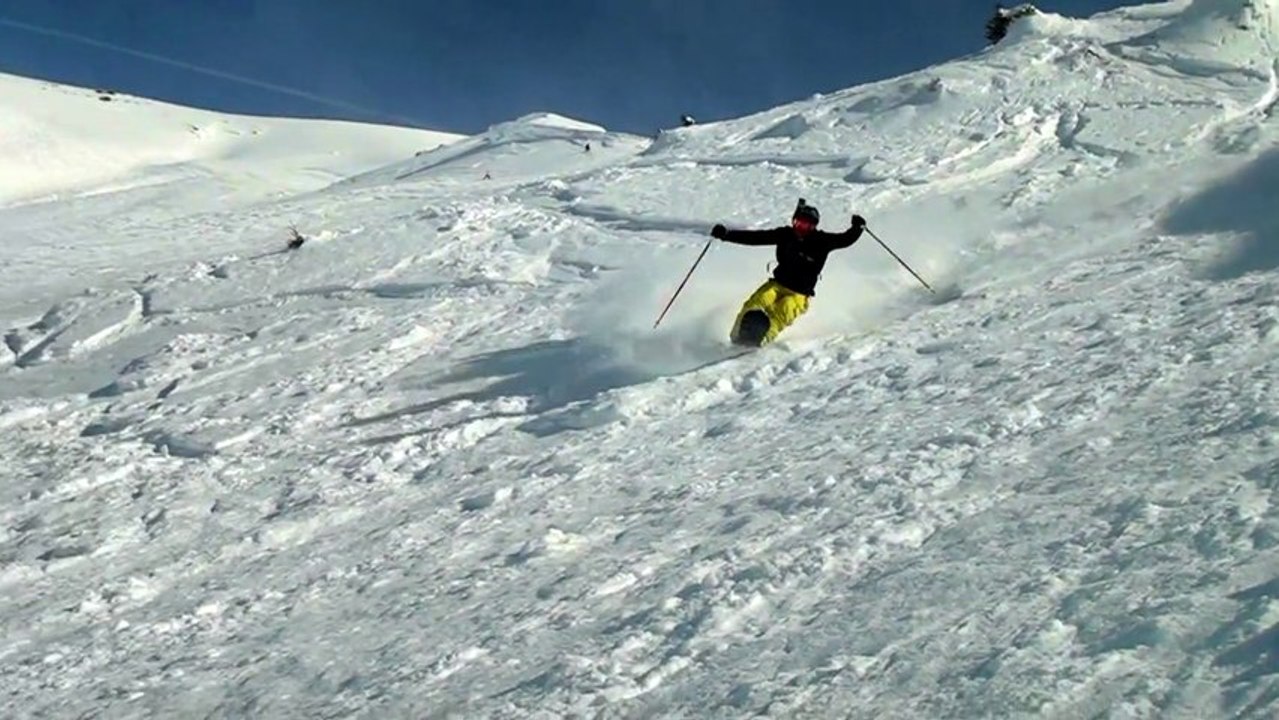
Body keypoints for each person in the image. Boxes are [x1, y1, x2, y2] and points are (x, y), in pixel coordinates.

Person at [710, 199, 866, 347]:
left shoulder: (821, 241)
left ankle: (761, 339)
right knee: (757, 302)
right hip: (777, 284)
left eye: (806, 226)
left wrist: (857, 228)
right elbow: (756, 237)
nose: (801, 229)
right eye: (798, 224)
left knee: (784, 309)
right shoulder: (786, 235)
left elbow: (845, 240)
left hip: (800, 294)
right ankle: (737, 337)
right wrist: (726, 235)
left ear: (813, 227)